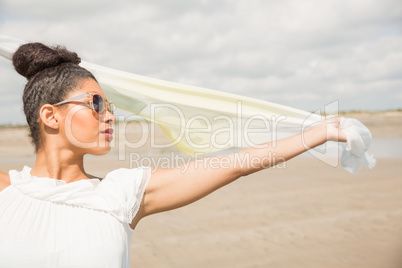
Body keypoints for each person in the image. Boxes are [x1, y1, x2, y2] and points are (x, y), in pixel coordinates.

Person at [0, 42, 347, 267]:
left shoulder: (123, 193)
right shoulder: (7, 191)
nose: (110, 115)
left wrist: (319, 133)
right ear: (50, 115)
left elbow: (235, 164)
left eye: (110, 106)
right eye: (96, 104)